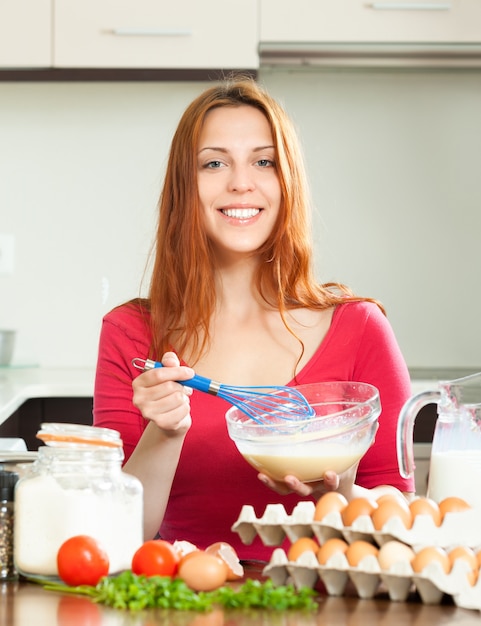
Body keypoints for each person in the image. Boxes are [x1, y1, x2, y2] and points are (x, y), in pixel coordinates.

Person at [93, 75, 415, 561]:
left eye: (264, 162)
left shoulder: (360, 328)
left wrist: (342, 491)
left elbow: (399, 522)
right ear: (185, 185)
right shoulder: (130, 334)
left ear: (287, 184)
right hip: (183, 605)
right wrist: (164, 431)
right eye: (214, 162)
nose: (241, 182)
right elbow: (118, 537)